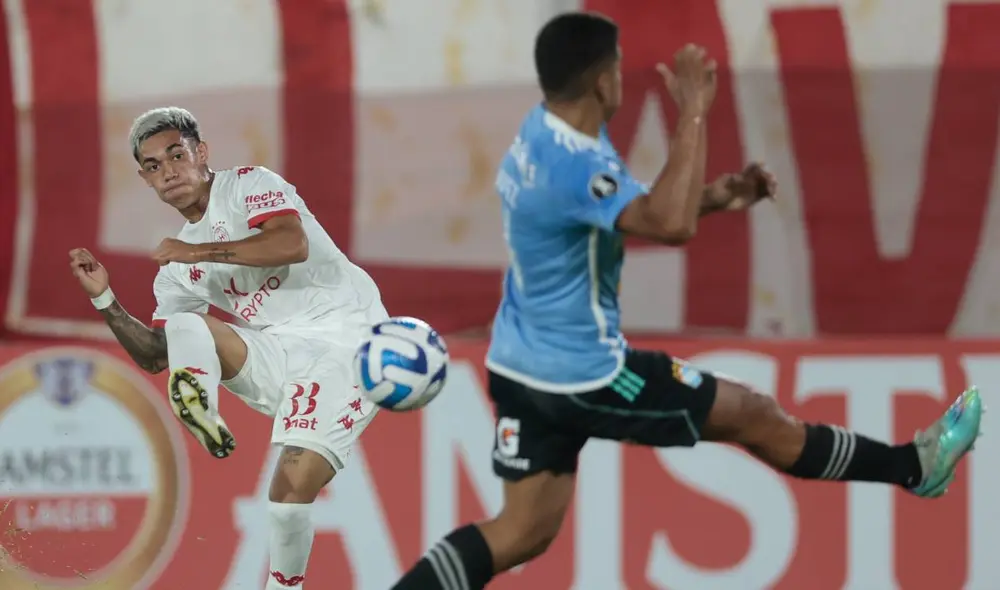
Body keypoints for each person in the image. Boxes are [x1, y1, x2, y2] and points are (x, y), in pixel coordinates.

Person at [391, 12, 983, 590]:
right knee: (754, 414)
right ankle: (915, 467)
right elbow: (669, 225)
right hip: (585, 375)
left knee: (520, 532)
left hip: (519, 367)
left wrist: (716, 197)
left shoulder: (543, 132)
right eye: (617, 68)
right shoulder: (578, 164)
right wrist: (695, 110)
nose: (621, 79)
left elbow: (628, 211)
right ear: (601, 81)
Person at [69, 106, 387, 590]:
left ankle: (283, 587)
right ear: (145, 179)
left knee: (287, 497)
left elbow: (291, 244)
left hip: (350, 340)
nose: (168, 171)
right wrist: (105, 300)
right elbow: (156, 354)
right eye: (154, 166)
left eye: (177, 155)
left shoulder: (248, 185)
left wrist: (196, 253)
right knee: (184, 323)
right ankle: (201, 404)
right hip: (281, 352)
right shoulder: (176, 270)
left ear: (201, 153)